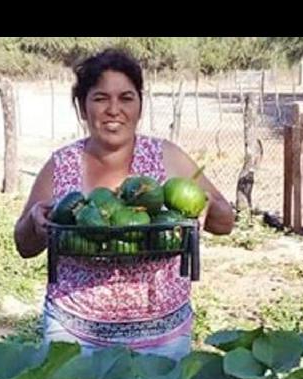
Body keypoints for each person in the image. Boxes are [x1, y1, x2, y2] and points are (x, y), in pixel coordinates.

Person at [14, 48, 234, 361]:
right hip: (74, 336)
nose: (113, 109)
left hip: (162, 339)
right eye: (100, 98)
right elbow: (24, 245)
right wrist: (34, 222)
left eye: (126, 98)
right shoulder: (60, 164)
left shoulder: (167, 156)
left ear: (140, 106)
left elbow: (225, 223)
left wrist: (209, 206)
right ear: (82, 106)